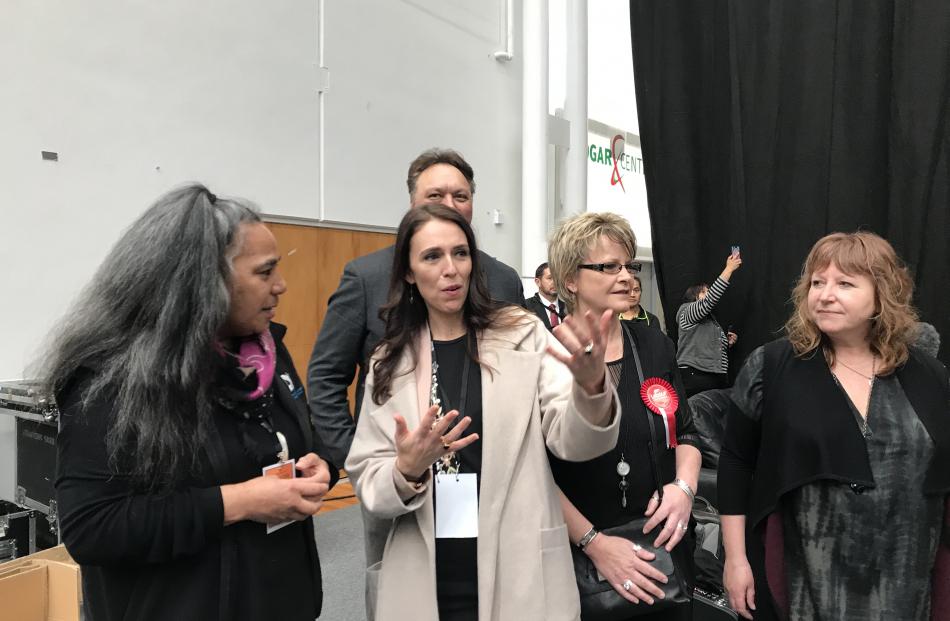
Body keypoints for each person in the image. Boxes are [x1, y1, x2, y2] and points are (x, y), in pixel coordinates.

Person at [48, 185, 338, 621]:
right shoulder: (110, 382)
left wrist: (322, 467)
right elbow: (93, 529)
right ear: (202, 283)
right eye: (264, 272)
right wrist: (238, 502)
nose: (281, 286)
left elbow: (295, 439)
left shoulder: (264, 356)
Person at [345, 204, 621, 621]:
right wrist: (406, 470)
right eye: (432, 256)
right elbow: (368, 478)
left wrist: (591, 387)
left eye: (460, 253)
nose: (451, 269)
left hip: (519, 568)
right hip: (426, 572)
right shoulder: (390, 362)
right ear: (408, 271)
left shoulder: (521, 334)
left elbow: (575, 442)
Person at [718, 231, 950, 621]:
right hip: (806, 584)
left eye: (845, 283)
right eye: (816, 282)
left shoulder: (930, 375)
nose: (825, 295)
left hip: (906, 585)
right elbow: (736, 462)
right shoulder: (771, 368)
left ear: (883, 293)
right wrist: (736, 559)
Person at [547, 212, 701, 621]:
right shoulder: (544, 358)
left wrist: (683, 491)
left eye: (629, 265)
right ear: (570, 280)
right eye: (608, 266)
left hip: (661, 545)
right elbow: (531, 475)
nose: (627, 277)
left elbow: (686, 434)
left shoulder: (654, 344)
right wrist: (595, 543)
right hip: (581, 557)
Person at [675, 253, 742, 396]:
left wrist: (726, 342)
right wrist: (728, 269)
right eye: (705, 292)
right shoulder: (687, 311)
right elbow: (709, 301)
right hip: (696, 376)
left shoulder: (710, 320)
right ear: (694, 295)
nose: (709, 294)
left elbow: (706, 347)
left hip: (715, 377)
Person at [525, 261, 566, 331]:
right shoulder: (526, 307)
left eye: (557, 278)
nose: (555, 282)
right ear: (538, 282)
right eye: (550, 278)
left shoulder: (569, 307)